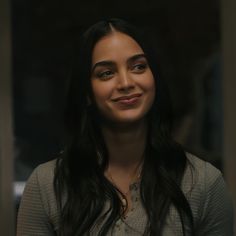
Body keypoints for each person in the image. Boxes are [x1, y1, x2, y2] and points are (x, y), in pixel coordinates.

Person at [17, 18, 234, 236]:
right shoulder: (47, 185)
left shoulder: (203, 182)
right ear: (87, 93)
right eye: (106, 73)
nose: (126, 83)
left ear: (154, 79)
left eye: (138, 67)